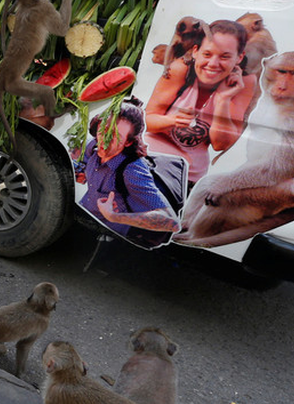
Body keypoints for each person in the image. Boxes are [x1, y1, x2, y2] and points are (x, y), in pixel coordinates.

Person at [145, 19, 257, 184]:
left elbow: (220, 144)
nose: (213, 64)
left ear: (239, 58)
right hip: (147, 162)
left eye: (225, 57)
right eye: (207, 54)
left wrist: (223, 100)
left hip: (186, 179)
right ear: (196, 51)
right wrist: (172, 120)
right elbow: (147, 121)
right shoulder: (180, 69)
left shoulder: (245, 83)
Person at [77, 98, 180, 242]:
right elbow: (83, 166)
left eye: (115, 136)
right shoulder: (92, 146)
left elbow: (171, 222)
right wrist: (82, 174)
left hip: (106, 235)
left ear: (128, 142)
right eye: (104, 130)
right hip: (82, 215)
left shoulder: (132, 170)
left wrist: (113, 216)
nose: (104, 140)